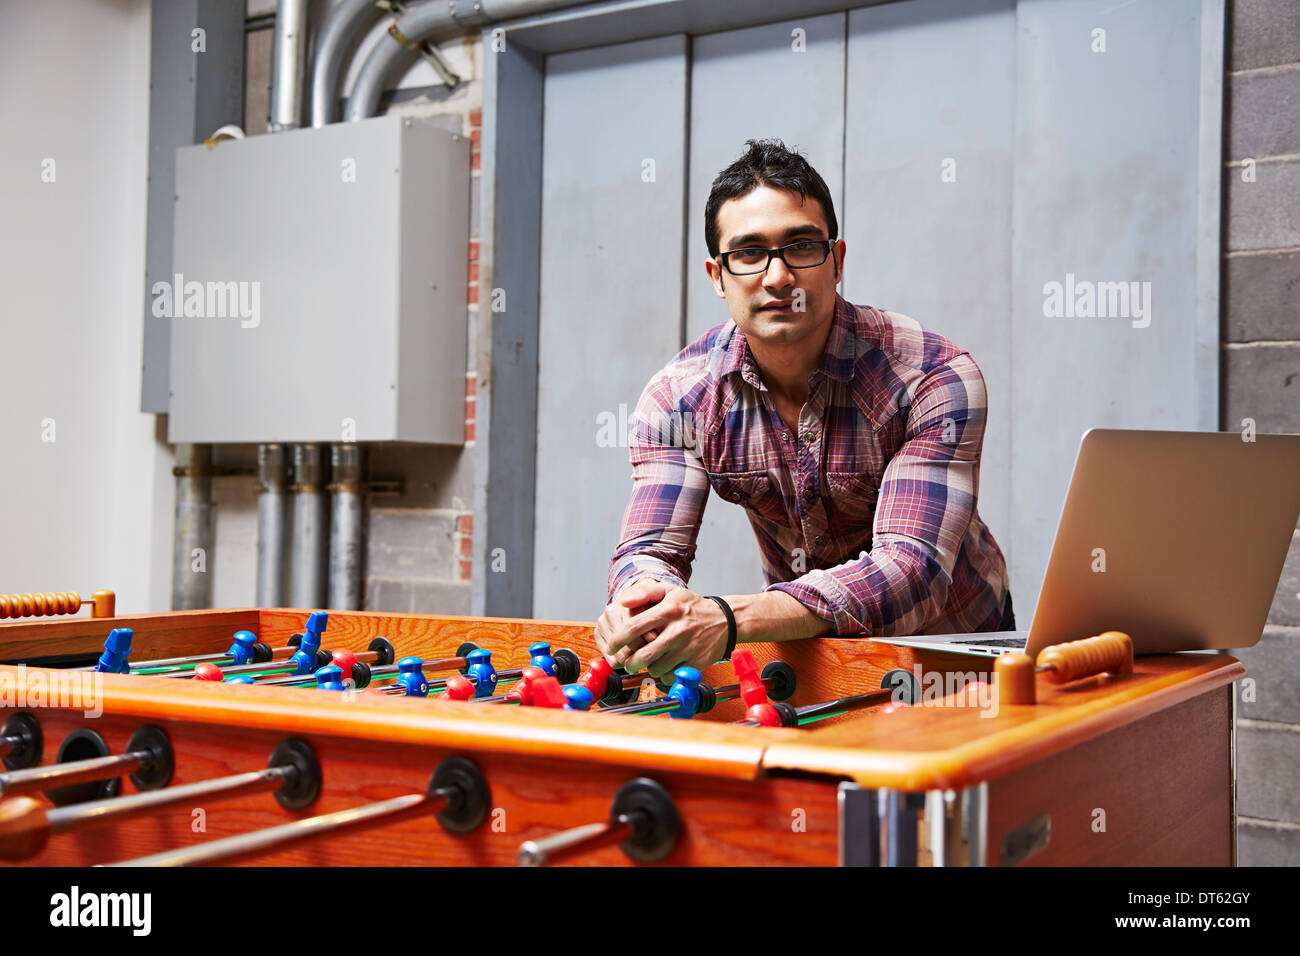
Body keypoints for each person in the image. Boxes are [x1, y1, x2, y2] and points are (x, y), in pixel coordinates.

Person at [595, 139, 1012, 681]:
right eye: (748, 253)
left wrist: (726, 617)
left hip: (951, 656)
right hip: (812, 650)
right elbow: (650, 548)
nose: (777, 277)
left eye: (800, 246)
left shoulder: (932, 376)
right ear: (716, 276)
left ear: (836, 260)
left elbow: (913, 569)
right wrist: (640, 598)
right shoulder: (679, 399)